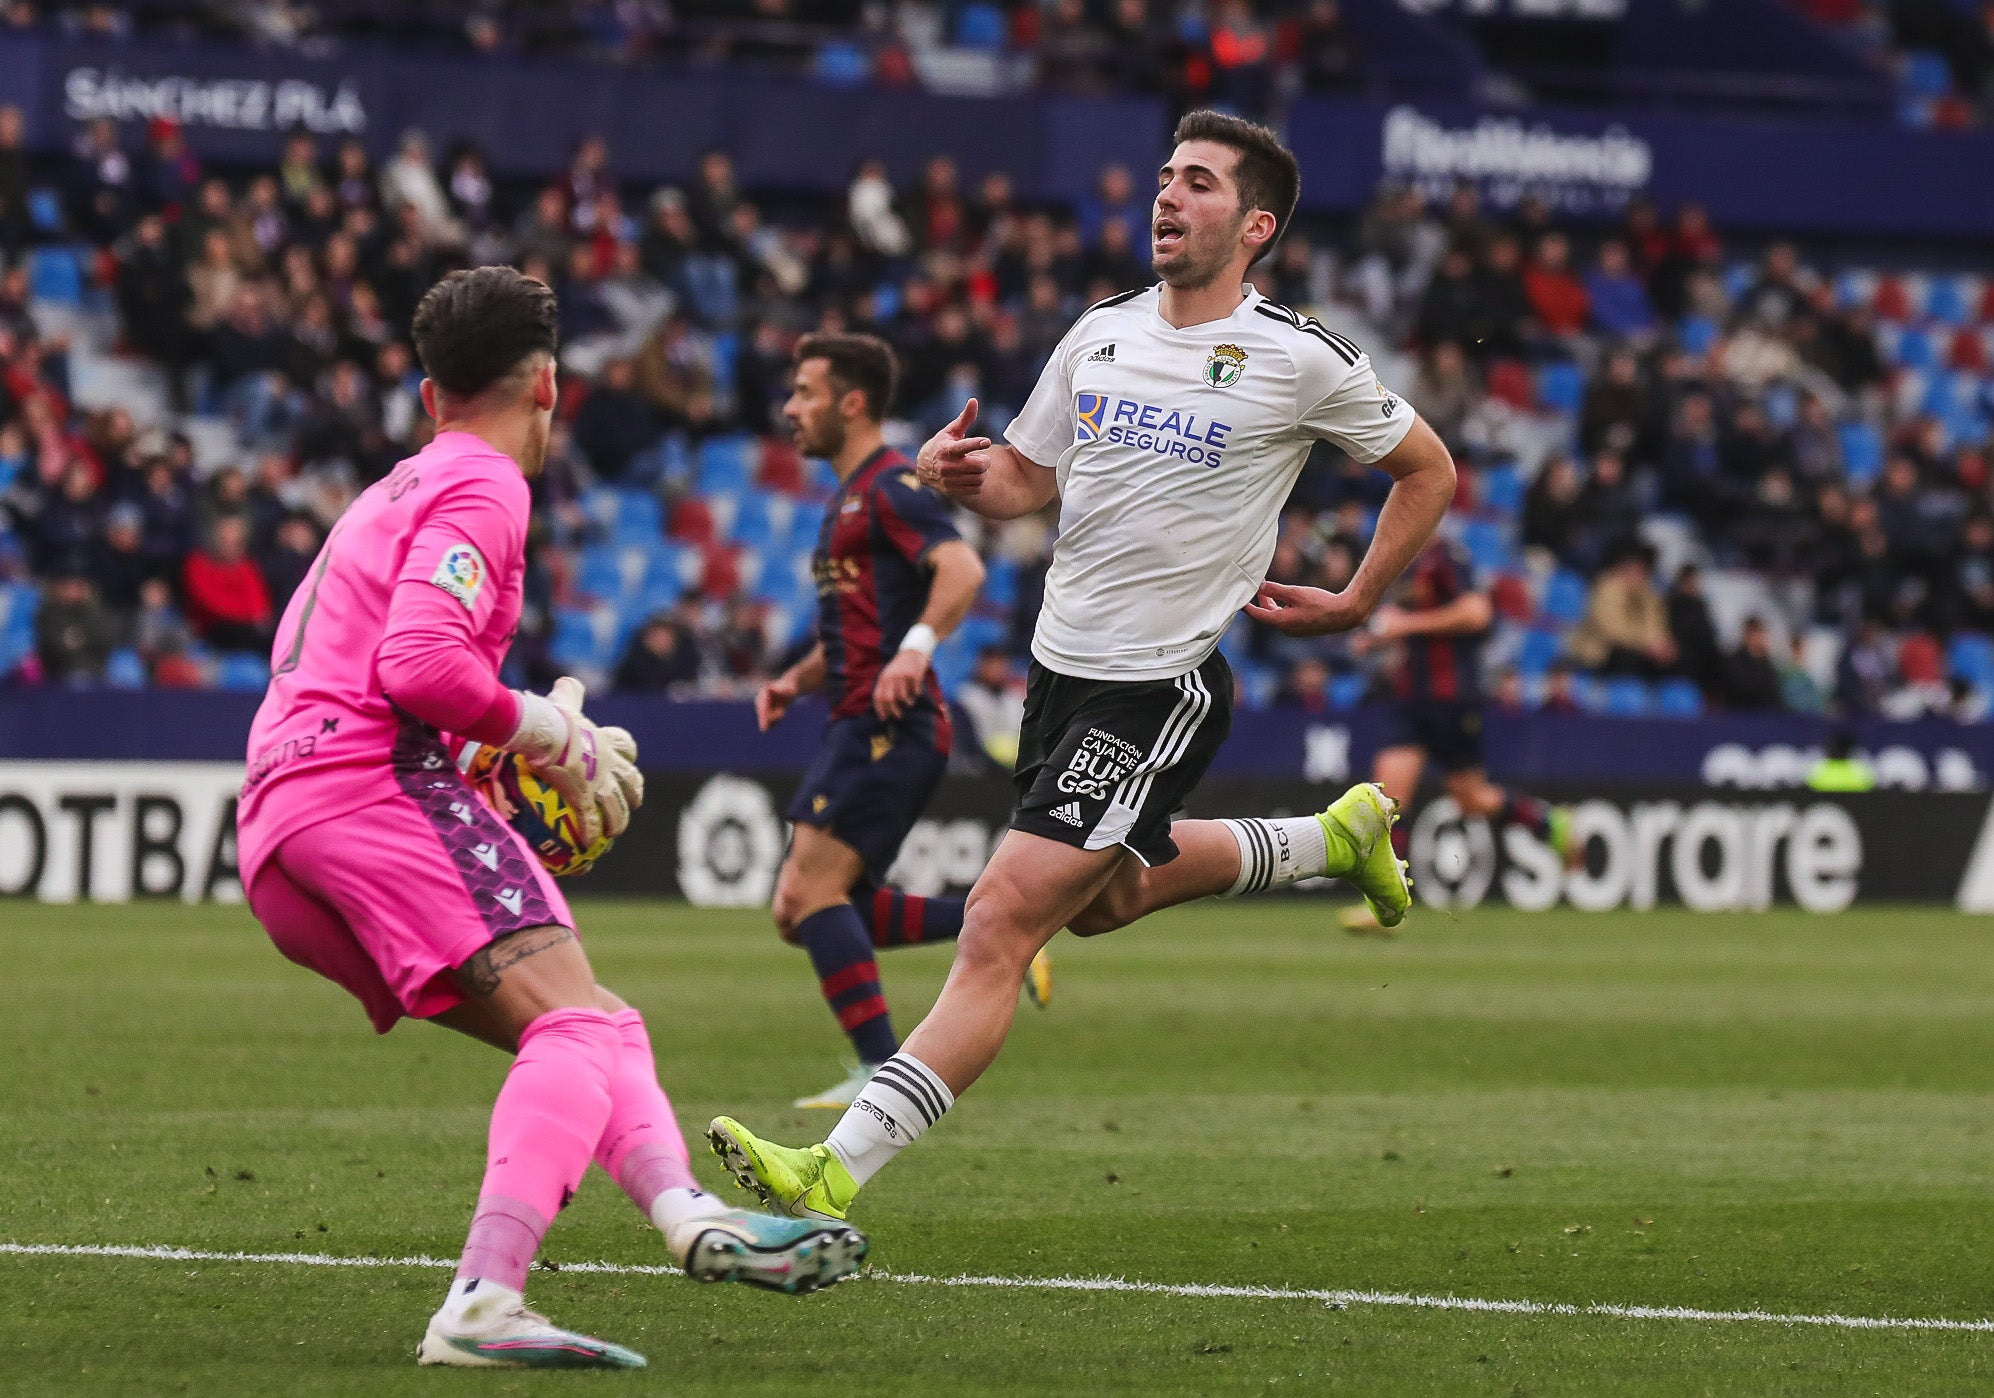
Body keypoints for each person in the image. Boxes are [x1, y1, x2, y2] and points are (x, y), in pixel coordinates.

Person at [709, 112, 1453, 1226]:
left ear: (1253, 226)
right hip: (1058, 676)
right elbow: (1021, 478)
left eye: (1195, 183)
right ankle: (1331, 838)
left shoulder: (1297, 358)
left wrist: (1355, 601)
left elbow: (1426, 468)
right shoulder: (1099, 330)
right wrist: (949, 470)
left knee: (1000, 921)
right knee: (1105, 903)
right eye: (1163, 177)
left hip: (1160, 684)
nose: (1165, 196)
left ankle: (835, 1169)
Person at [234, 268, 864, 1371]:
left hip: (282, 831)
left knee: (595, 1021)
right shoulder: (484, 485)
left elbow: (355, 667)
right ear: (551, 387)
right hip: (369, 789)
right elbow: (418, 663)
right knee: (572, 1026)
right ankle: (483, 1297)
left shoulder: (389, 490)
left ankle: (688, 1216)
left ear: (429, 396)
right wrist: (547, 734)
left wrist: (491, 756)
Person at [755, 333, 1050, 1111]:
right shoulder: (845, 498)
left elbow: (963, 569)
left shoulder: (891, 484)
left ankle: (879, 1070)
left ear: (852, 403)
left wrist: (916, 651)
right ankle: (1008, 934)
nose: (791, 408)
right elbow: (858, 630)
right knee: (818, 908)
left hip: (891, 722)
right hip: (858, 715)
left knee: (804, 896)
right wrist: (795, 680)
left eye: (806, 393)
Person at [1337, 540, 1573, 934]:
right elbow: (1414, 626)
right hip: (1409, 700)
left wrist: (1406, 625)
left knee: (1470, 798)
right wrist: (1381, 638)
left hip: (1452, 699)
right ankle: (1386, 906)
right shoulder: (1402, 563)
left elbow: (1476, 613)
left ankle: (1549, 823)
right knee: (1385, 800)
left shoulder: (1445, 557)